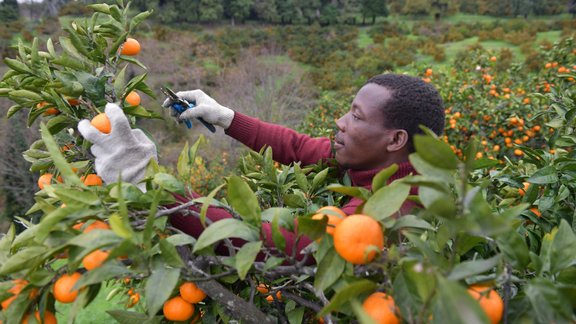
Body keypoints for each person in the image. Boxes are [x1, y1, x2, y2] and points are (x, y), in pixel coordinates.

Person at [78, 73, 445, 261]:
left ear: (395, 140)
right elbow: (298, 147)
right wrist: (226, 117)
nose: (340, 121)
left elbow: (270, 243)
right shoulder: (375, 159)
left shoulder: (391, 206)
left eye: (356, 116)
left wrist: (152, 183)